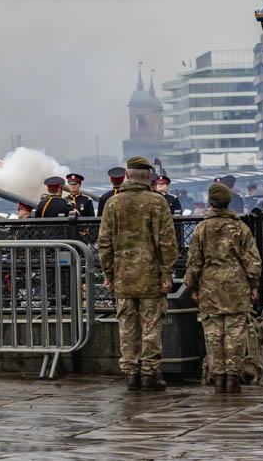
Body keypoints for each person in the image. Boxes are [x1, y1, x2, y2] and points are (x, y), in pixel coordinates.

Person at [98, 156, 179, 391]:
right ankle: (149, 374)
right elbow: (167, 242)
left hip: (123, 276)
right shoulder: (158, 202)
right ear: (149, 177)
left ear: (126, 175)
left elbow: (104, 242)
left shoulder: (113, 203)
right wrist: (166, 274)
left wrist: (108, 274)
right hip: (151, 277)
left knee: (127, 326)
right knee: (151, 327)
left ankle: (131, 374)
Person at [184, 183, 261, 394]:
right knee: (235, 334)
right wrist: (253, 284)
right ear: (229, 202)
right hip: (237, 288)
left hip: (209, 288)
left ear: (210, 202)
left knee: (213, 334)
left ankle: (218, 377)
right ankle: (233, 378)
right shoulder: (240, 228)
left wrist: (192, 285)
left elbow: (194, 261)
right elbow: (253, 261)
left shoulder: (201, 229)